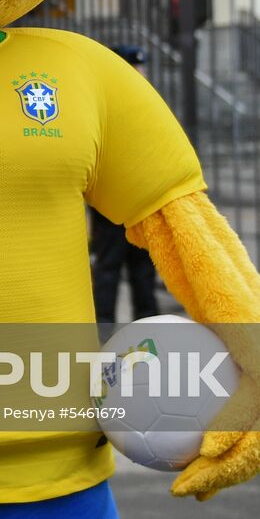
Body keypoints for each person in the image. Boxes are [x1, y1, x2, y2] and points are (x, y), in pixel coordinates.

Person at [90, 45, 161, 324]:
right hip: (110, 208)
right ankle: (101, 336)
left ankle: (151, 333)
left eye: (141, 69)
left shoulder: (152, 105)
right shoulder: (103, 105)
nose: (141, 74)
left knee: (144, 274)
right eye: (135, 68)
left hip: (144, 206)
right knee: (108, 272)